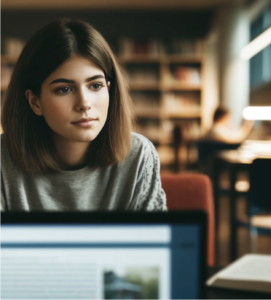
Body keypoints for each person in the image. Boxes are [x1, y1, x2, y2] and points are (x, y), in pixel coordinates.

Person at [1, 18, 167, 211]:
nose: (84, 103)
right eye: (64, 89)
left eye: (95, 86)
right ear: (35, 102)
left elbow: (151, 240)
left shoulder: (139, 156)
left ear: (109, 90)